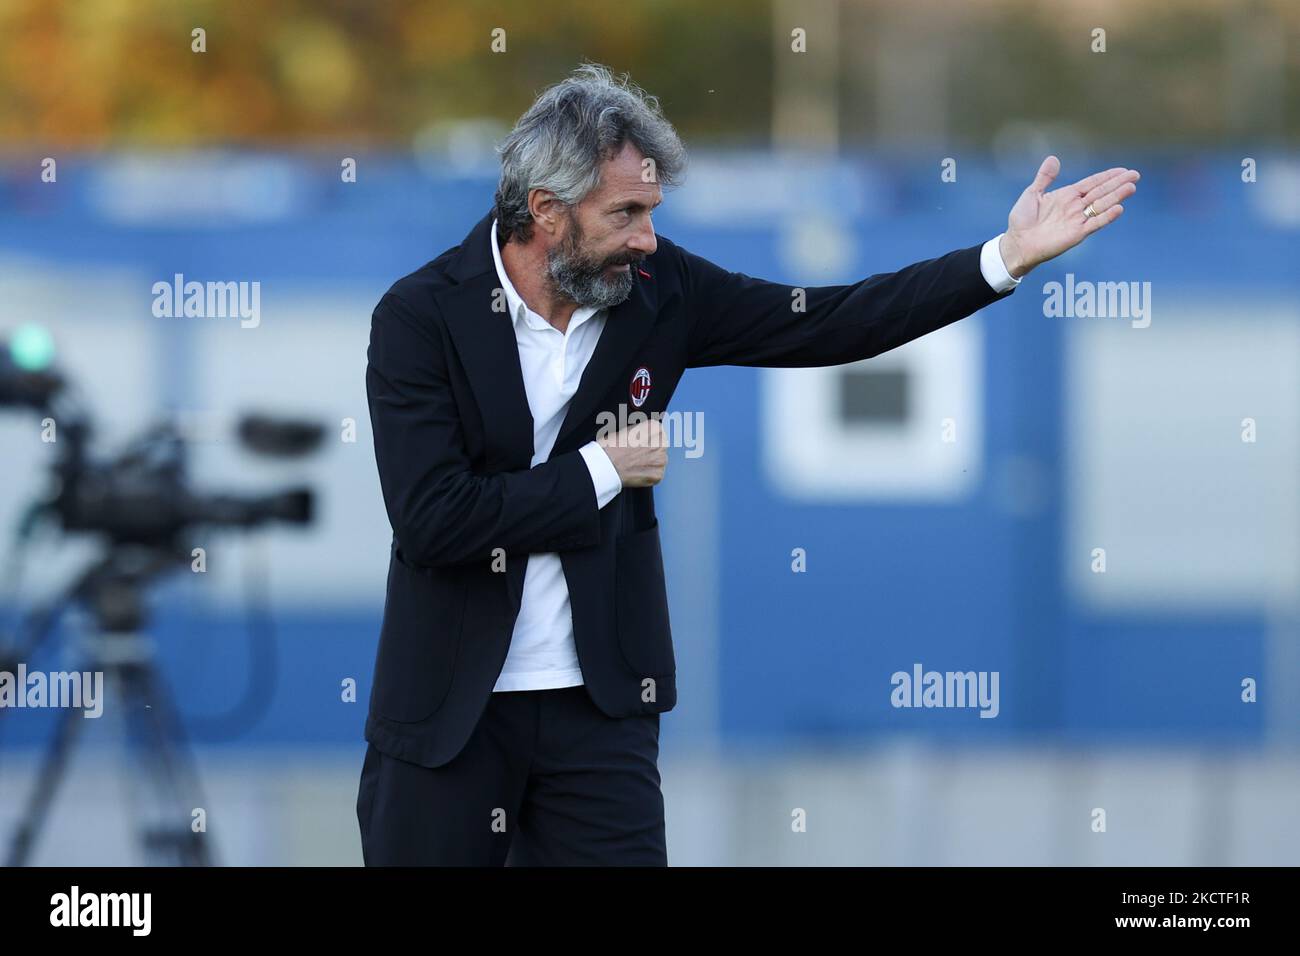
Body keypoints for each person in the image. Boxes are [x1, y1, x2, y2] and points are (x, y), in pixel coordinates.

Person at [356, 63, 1139, 865]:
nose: (647, 238)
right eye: (624, 213)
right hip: (446, 716)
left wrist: (1002, 257)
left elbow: (832, 322)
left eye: (652, 211)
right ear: (545, 211)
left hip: (602, 711)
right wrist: (603, 470)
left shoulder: (661, 290)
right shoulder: (420, 317)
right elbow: (434, 521)